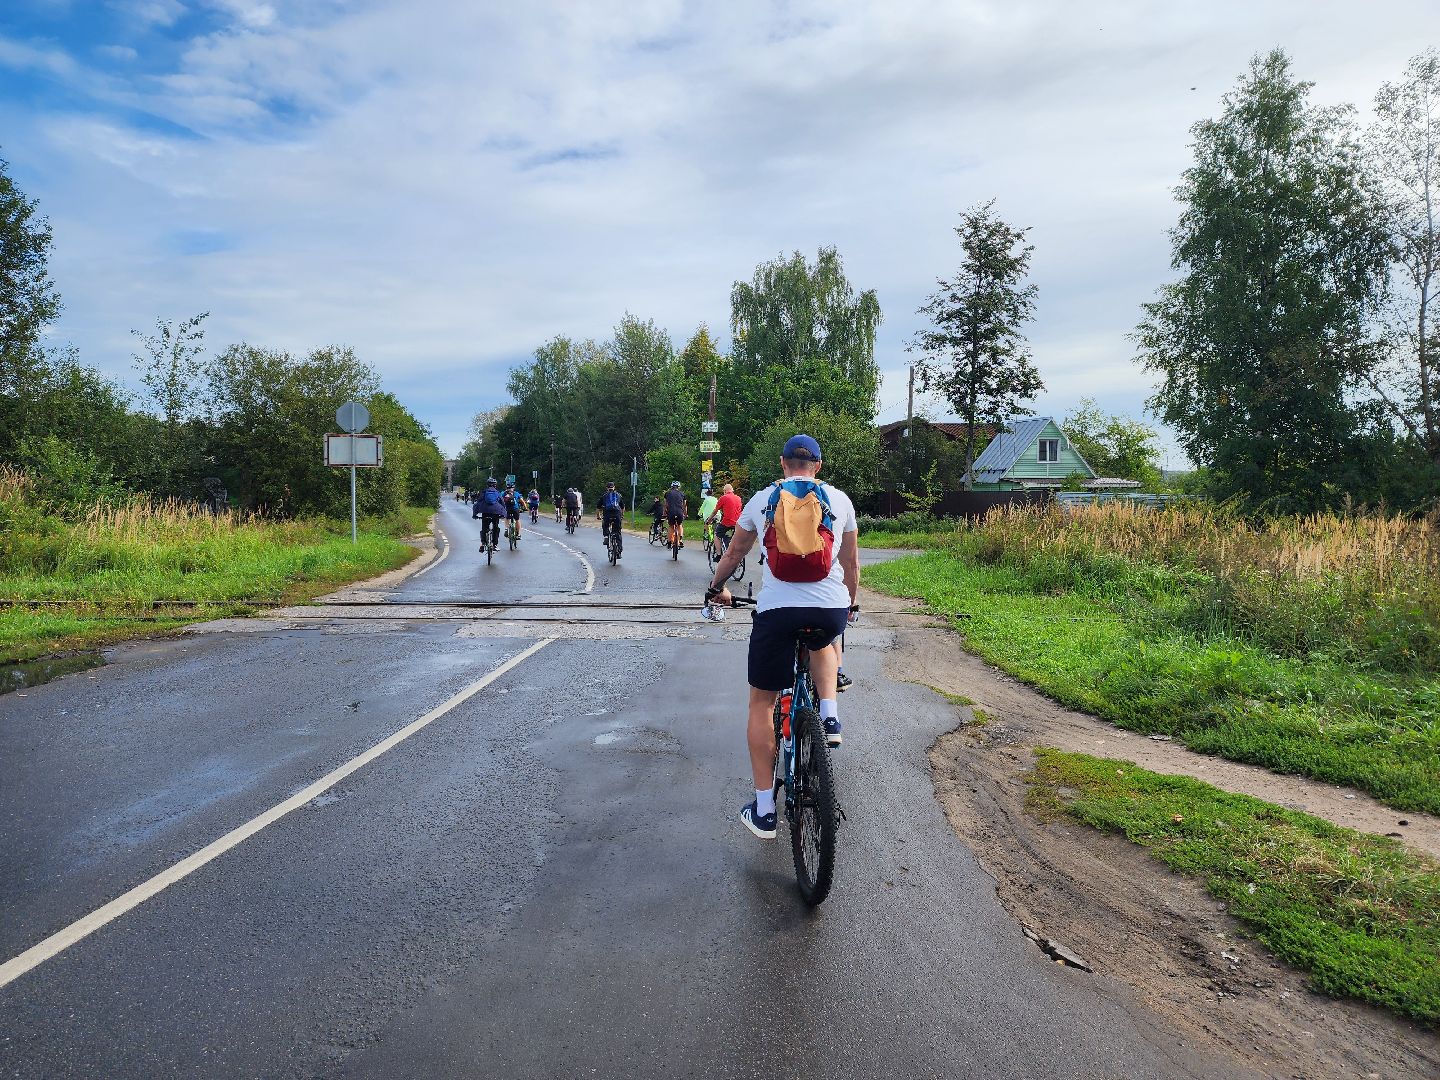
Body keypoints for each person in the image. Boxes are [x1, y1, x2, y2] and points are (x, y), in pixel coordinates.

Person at [705, 435, 859, 840]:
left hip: (777, 612)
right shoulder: (840, 500)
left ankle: (764, 811)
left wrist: (715, 588)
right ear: (818, 466)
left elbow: (734, 553)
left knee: (762, 702)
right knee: (823, 640)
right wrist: (849, 605)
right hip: (829, 609)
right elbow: (851, 562)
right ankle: (829, 716)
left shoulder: (762, 499)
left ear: (782, 462)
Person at [473, 478, 507, 549]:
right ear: (495, 485)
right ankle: (495, 545)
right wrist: (503, 514)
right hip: (496, 512)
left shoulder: (484, 492)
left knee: (484, 527)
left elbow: (478, 503)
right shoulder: (497, 492)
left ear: (487, 485)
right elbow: (502, 503)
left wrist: (475, 514)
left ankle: (483, 544)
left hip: (485, 511)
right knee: (496, 528)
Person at [714, 482, 743, 551]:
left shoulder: (723, 498)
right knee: (732, 536)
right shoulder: (739, 498)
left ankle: (718, 554)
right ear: (732, 491)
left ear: (724, 491)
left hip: (727, 523)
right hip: (737, 523)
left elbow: (715, 511)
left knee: (717, 535)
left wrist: (709, 519)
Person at [598, 481, 623, 547]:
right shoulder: (618, 495)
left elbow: (598, 507)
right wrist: (622, 515)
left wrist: (598, 515)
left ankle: (606, 536)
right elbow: (622, 507)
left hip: (607, 514)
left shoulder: (604, 496)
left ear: (607, 488)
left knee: (605, 525)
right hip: (617, 514)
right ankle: (619, 547)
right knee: (618, 531)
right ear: (614, 487)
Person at [664, 481, 687, 549]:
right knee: (679, 525)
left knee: (671, 526)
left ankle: (669, 542)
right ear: (678, 487)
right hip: (679, 512)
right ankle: (680, 540)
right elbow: (685, 505)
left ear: (671, 487)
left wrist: (664, 513)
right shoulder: (682, 494)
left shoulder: (667, 493)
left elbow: (665, 504)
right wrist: (685, 514)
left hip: (671, 512)